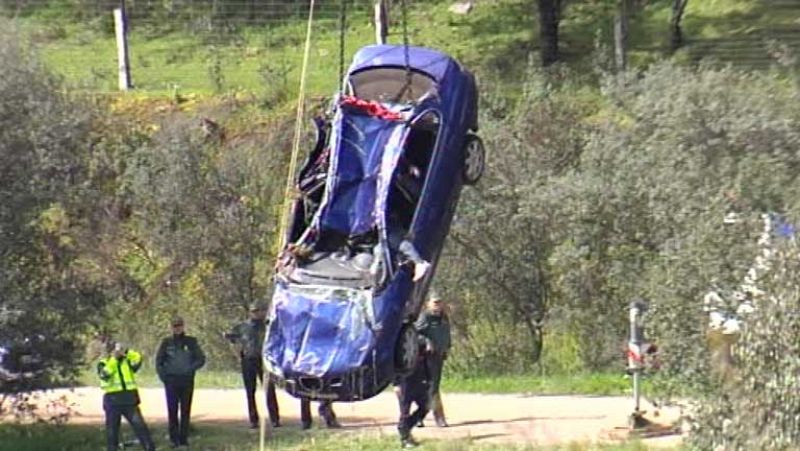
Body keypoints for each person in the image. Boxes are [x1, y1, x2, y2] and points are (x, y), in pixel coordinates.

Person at [224, 302, 280, 428]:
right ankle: (253, 420)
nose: (257, 313)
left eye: (260, 310)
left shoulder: (268, 325)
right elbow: (231, 338)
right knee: (250, 391)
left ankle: (275, 419)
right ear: (250, 312)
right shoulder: (243, 326)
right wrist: (238, 353)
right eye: (254, 311)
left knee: (269, 390)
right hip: (248, 360)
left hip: (264, 361)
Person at [155, 316, 206, 448]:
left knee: (185, 410)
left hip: (186, 380)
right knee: (172, 410)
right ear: (171, 328)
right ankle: (173, 439)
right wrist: (164, 377)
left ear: (183, 326)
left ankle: (183, 439)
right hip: (171, 380)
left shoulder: (191, 342)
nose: (177, 328)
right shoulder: (166, 342)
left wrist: (190, 369)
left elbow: (201, 359)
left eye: (179, 326)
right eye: (175, 326)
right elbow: (159, 362)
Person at [97, 341, 156, 451]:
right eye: (115, 350)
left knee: (140, 427)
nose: (118, 352)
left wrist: (127, 352)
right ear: (110, 352)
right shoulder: (103, 363)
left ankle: (149, 448)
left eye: (119, 350)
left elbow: (138, 358)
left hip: (129, 400)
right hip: (113, 400)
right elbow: (105, 375)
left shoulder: (127, 361)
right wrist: (114, 359)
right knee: (112, 431)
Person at [415, 292, 451, 427]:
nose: (437, 305)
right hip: (425, 356)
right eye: (435, 302)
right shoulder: (425, 317)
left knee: (433, 387)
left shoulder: (443, 317)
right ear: (428, 304)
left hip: (438, 356)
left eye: (439, 302)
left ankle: (430, 417)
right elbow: (415, 333)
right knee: (428, 387)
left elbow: (447, 333)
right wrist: (427, 341)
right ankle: (425, 417)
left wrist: (447, 347)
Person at [396, 340, 432, 448]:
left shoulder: (421, 342)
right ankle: (405, 439)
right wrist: (396, 384)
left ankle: (405, 427)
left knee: (425, 406)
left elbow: (425, 362)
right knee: (405, 412)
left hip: (419, 382)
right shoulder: (401, 345)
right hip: (405, 384)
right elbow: (395, 366)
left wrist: (428, 379)